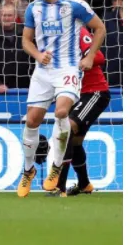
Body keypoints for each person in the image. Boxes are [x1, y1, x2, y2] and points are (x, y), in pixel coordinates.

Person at [17, 0, 106, 197]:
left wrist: (88, 56)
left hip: (67, 69)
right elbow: (26, 41)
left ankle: (56, 167)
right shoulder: (33, 8)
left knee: (62, 112)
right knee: (32, 120)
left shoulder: (74, 6)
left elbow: (100, 28)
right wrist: (37, 55)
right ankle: (28, 171)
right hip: (43, 71)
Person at [51, 27, 111, 196]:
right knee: (75, 141)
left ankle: (59, 186)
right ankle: (84, 184)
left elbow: (98, 57)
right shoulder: (50, 39)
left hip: (94, 92)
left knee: (67, 128)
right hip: (73, 94)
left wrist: (77, 63)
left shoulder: (78, 31)